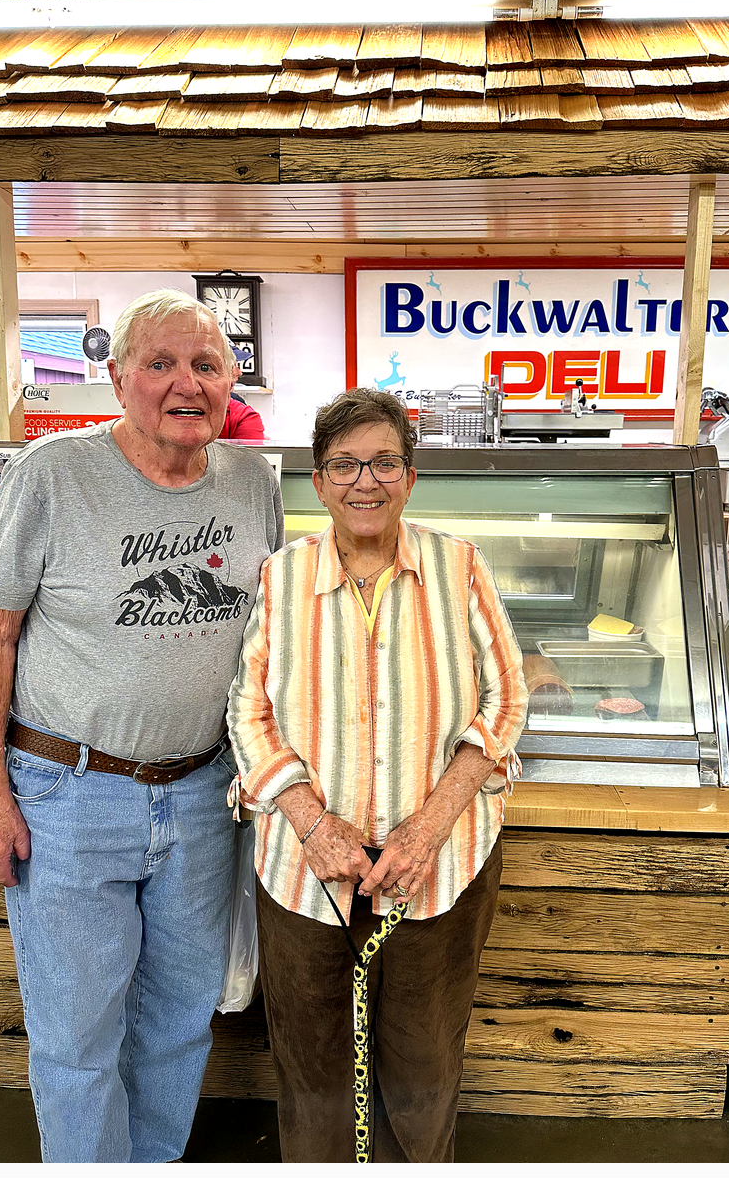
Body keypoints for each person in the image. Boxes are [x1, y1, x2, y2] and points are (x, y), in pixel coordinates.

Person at [0, 288, 284, 1163]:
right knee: (77, 1041)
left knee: (179, 1022)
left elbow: (275, 632)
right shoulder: (53, 475)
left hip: (203, 795)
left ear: (233, 379)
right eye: (162, 363)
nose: (188, 383)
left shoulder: (256, 481)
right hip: (68, 795)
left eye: (207, 364)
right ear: (116, 379)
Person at [227, 387, 527, 1163]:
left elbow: (506, 698)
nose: (367, 481)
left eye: (385, 462)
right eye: (346, 465)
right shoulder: (280, 578)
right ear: (319, 482)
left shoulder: (459, 567)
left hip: (440, 867)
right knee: (313, 1064)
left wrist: (427, 830)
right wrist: (313, 824)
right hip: (304, 869)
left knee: (422, 1065)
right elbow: (247, 712)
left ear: (411, 476)